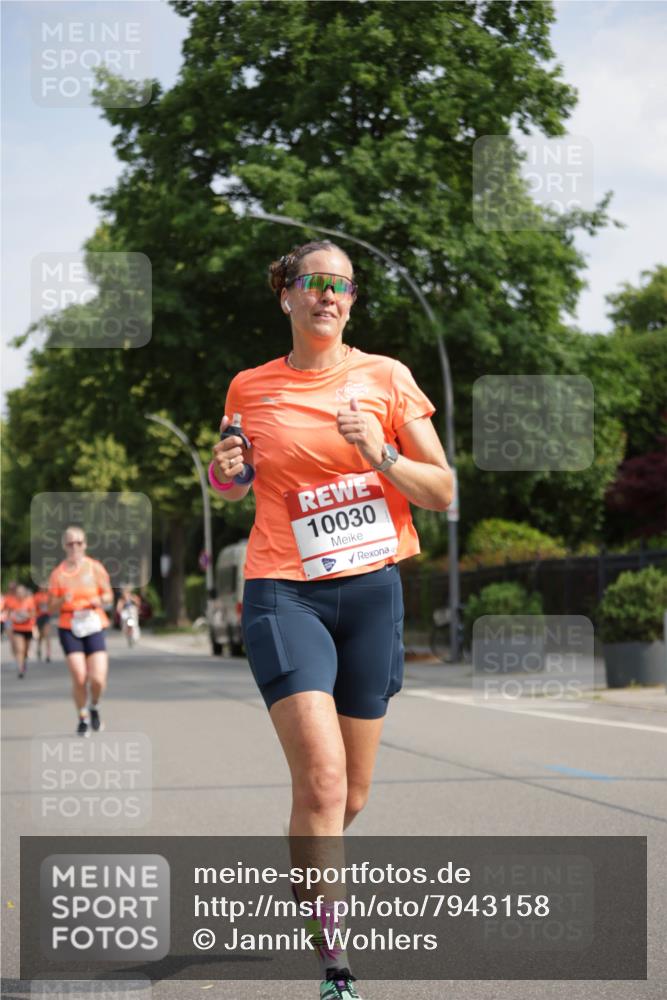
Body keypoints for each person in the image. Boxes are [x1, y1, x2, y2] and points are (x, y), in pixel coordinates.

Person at [210, 241, 453, 1000]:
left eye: (342, 286)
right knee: (319, 780)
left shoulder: (386, 379)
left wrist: (378, 451)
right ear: (286, 296)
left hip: (371, 592)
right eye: (314, 283)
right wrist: (221, 472)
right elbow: (232, 478)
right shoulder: (250, 387)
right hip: (284, 589)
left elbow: (441, 489)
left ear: (350, 301)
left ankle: (310, 883)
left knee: (348, 798)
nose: (328, 296)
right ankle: (335, 964)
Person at [48, 526, 114, 736]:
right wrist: (61, 600)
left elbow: (109, 596)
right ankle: (82, 717)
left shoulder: (95, 568)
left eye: (78, 542)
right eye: (70, 543)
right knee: (79, 676)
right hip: (70, 627)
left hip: (94, 624)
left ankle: (94, 705)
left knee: (98, 679)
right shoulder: (58, 574)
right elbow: (49, 607)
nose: (74, 547)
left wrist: (100, 599)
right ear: (64, 546)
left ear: (85, 544)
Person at [8, 584, 36, 678]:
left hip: (28, 628)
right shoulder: (13, 602)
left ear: (24, 593)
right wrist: (13, 616)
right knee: (20, 649)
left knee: (26, 651)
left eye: (21, 592)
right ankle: (20, 669)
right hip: (17, 629)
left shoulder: (29, 601)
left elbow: (33, 614)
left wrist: (25, 615)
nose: (19, 594)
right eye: (18, 592)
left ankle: (23, 663)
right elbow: (8, 613)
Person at [34, 583, 52, 662]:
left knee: (47, 635)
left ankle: (48, 654)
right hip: (39, 617)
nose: (43, 588)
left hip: (46, 617)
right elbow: (33, 607)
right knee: (41, 635)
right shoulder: (36, 596)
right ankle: (39, 648)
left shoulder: (49, 595)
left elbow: (52, 605)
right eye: (41, 586)